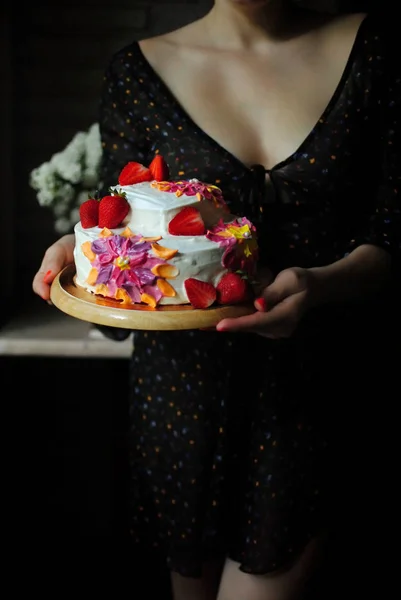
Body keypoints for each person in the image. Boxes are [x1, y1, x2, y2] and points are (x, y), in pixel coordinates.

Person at [32, 1, 400, 598]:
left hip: (320, 388)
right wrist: (82, 249)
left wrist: (322, 283)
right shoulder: (138, 71)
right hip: (181, 396)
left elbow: (394, 230)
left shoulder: (376, 47)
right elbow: (125, 212)